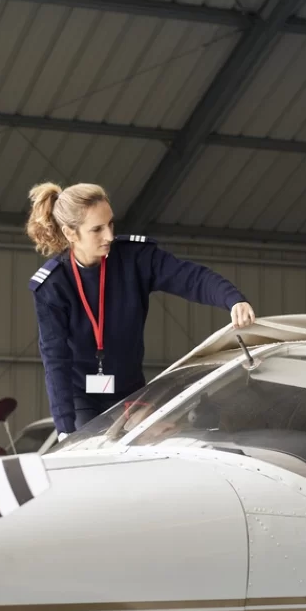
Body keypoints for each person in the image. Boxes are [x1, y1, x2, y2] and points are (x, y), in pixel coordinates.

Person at [25, 181, 257, 441]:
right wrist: (65, 429)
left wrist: (233, 300)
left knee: (160, 441)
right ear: (70, 233)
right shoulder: (52, 286)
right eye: (97, 229)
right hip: (83, 397)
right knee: (91, 455)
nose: (109, 236)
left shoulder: (135, 257)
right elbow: (55, 360)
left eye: (111, 224)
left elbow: (192, 278)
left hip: (131, 392)